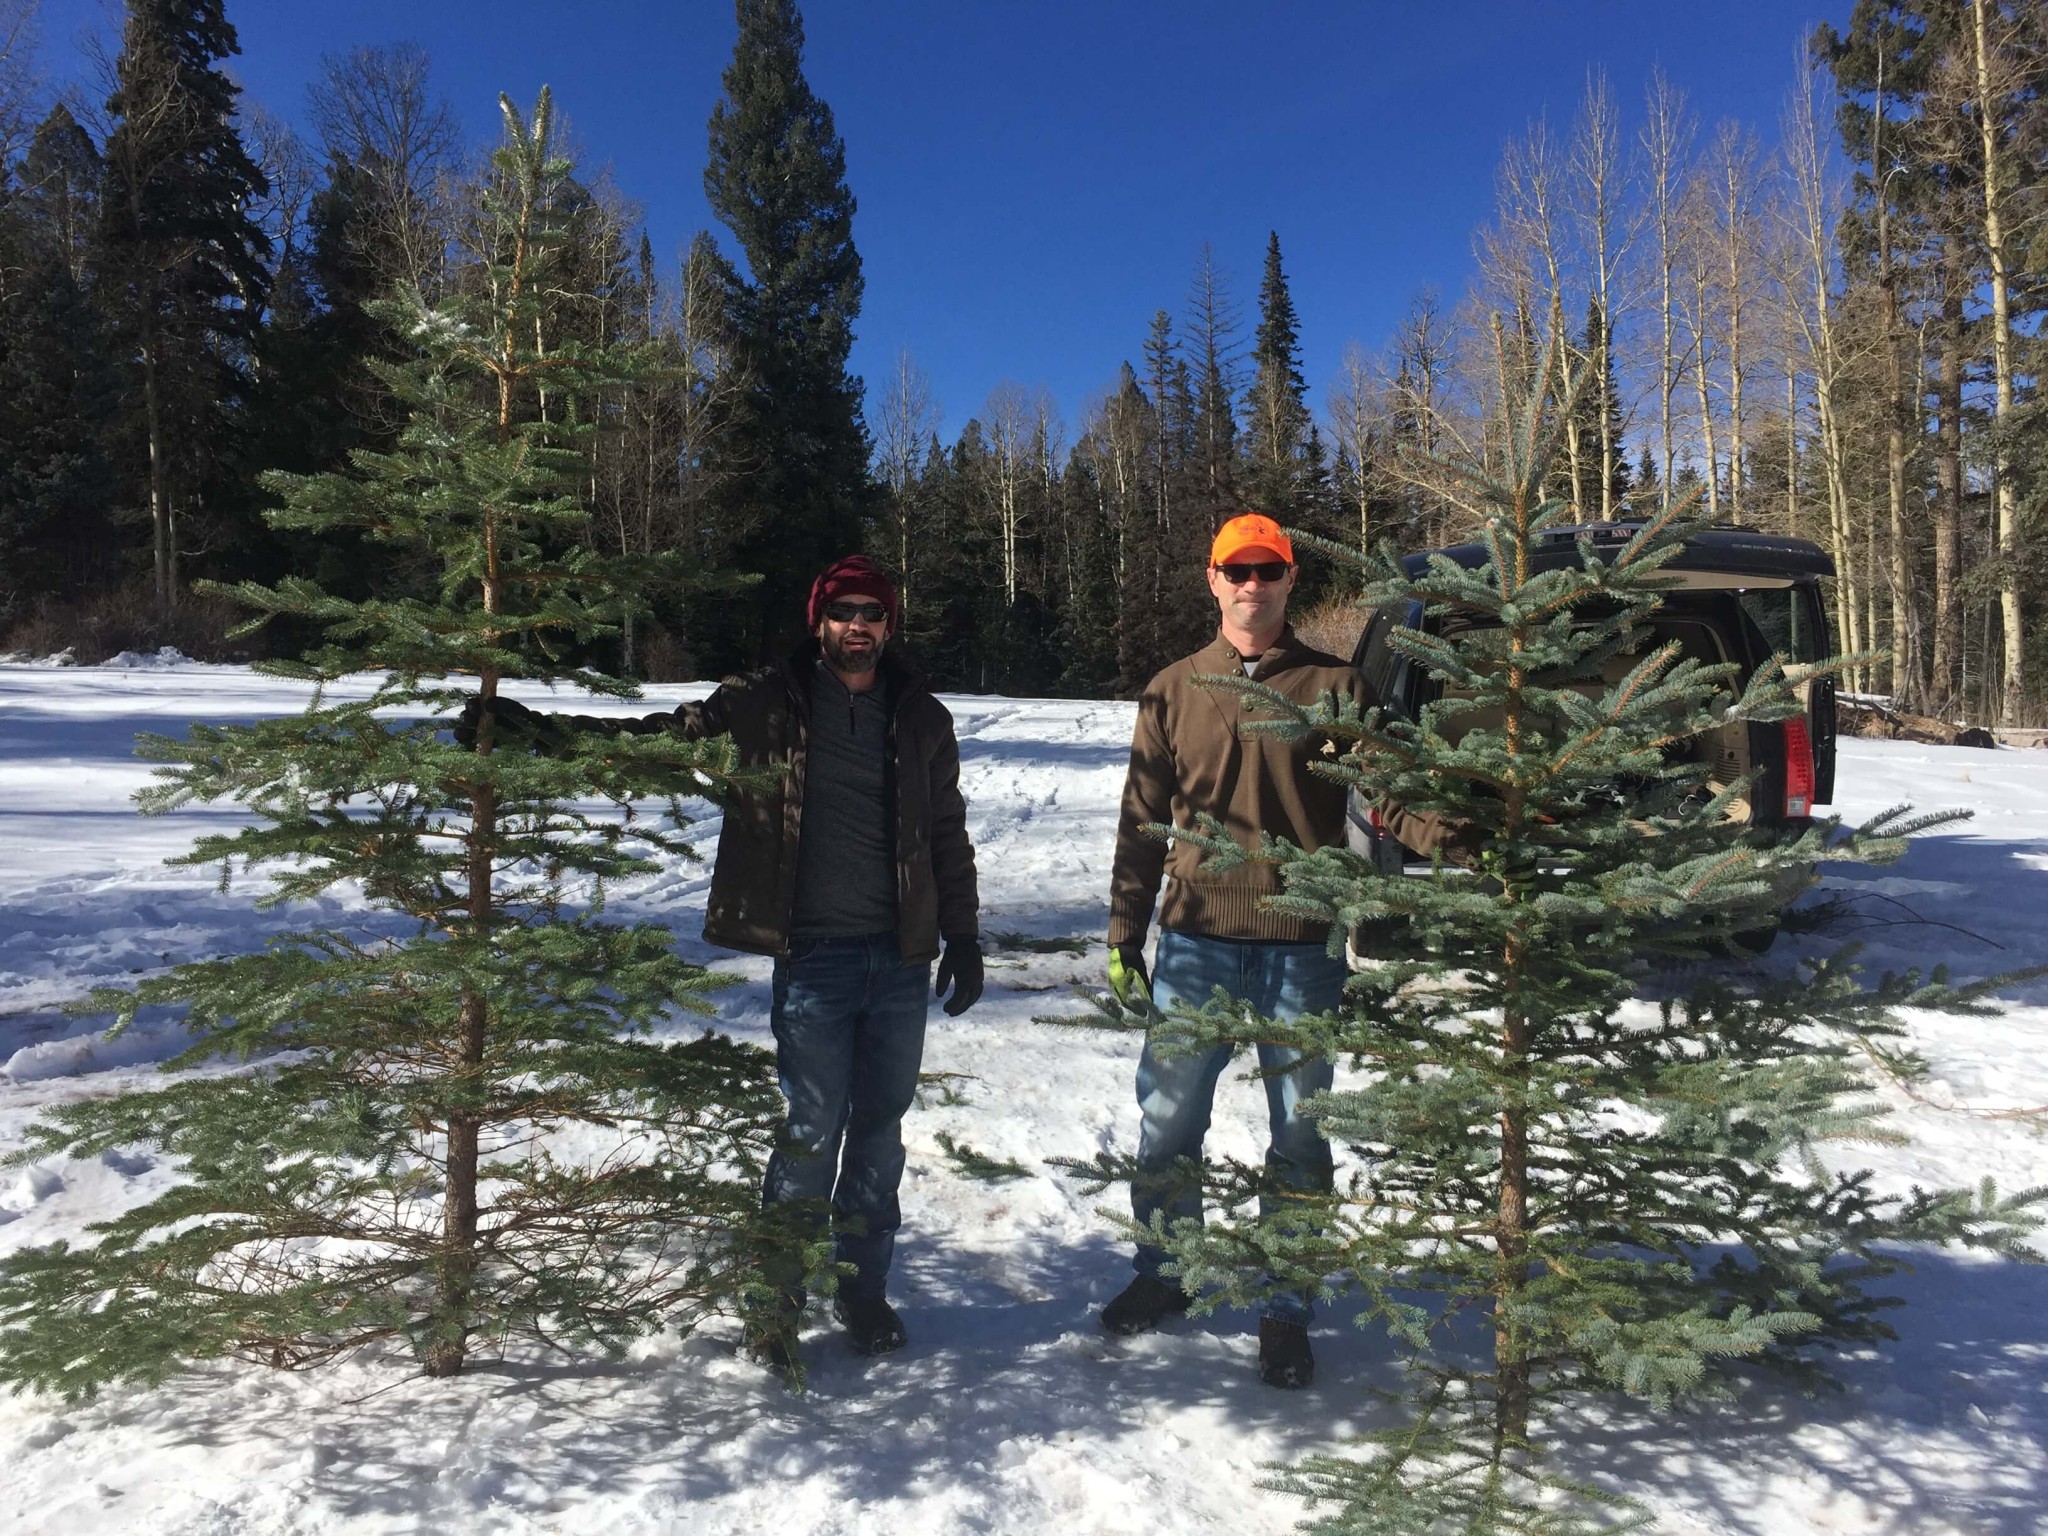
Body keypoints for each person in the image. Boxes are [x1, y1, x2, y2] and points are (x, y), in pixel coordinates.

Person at [463, 555, 982, 1364]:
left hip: (899, 961)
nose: (858, 625)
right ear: (819, 621)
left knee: (880, 1136)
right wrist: (545, 737)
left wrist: (965, 935)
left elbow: (946, 829)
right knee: (811, 1131)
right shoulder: (765, 700)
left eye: (872, 612)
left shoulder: (922, 716)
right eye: (843, 610)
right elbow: (659, 743)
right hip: (815, 957)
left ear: (889, 625)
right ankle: (773, 1307)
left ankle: (863, 1291)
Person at [1099, 512, 1449, 1390]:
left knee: (1300, 1134)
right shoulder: (1174, 689)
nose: (1252, 584)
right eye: (1237, 570)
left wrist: (1470, 839)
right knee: (1168, 1122)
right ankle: (1166, 1269)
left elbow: (1388, 791)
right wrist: (1124, 932)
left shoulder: (1335, 689)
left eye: (1268, 570)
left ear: (1291, 579)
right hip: (1196, 941)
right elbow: (1142, 822)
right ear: (1213, 580)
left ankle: (1287, 1305)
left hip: (1302, 948)